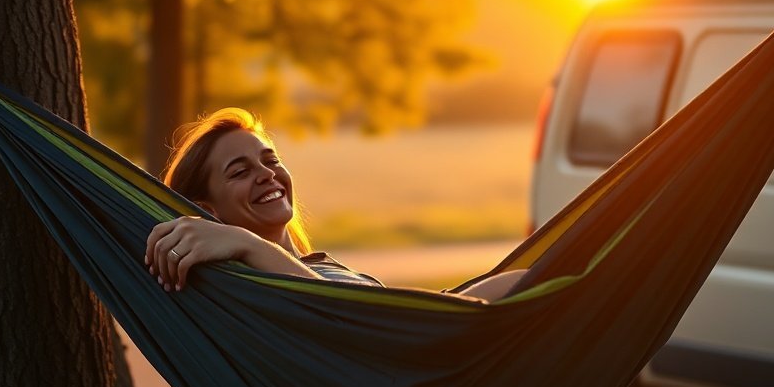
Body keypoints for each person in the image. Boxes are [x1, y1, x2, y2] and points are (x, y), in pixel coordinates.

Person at [146, 108, 526, 300]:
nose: (266, 173)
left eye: (271, 159)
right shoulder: (254, 287)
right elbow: (340, 321)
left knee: (564, 268)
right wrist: (248, 244)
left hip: (441, 331)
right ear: (210, 211)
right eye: (239, 171)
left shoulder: (307, 268)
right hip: (427, 363)